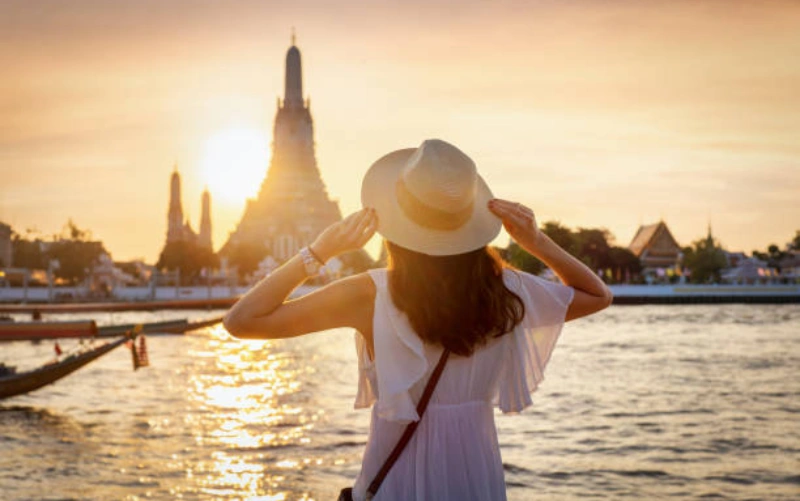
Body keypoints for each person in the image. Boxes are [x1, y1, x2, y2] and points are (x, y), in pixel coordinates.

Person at [224, 139, 613, 500]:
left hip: (398, 481)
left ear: (397, 221)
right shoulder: (508, 291)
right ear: (471, 220)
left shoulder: (369, 294)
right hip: (476, 477)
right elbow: (598, 294)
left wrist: (320, 250)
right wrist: (535, 241)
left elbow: (241, 321)